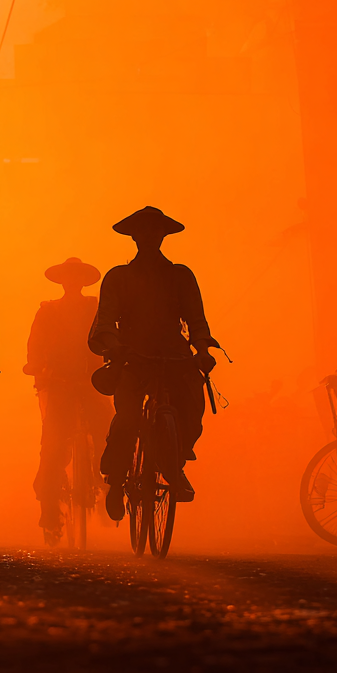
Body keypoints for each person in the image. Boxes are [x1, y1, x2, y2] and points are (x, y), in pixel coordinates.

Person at [89, 206, 219, 520]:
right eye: (143, 232)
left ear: (162, 236)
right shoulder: (118, 277)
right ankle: (117, 480)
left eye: (154, 232)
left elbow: (196, 320)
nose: (149, 238)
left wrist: (201, 349)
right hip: (132, 357)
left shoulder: (181, 276)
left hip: (175, 357)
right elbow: (104, 322)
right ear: (134, 237)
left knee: (192, 410)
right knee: (128, 419)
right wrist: (115, 346)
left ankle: (172, 462)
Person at [24, 257, 113, 544]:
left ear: (83, 282)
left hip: (93, 382)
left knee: (106, 435)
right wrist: (35, 365)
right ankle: (50, 514)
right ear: (62, 281)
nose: (72, 282)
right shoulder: (48, 311)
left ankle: (109, 483)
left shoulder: (96, 308)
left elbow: (111, 337)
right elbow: (35, 344)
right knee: (51, 449)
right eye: (68, 277)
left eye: (77, 278)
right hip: (59, 383)